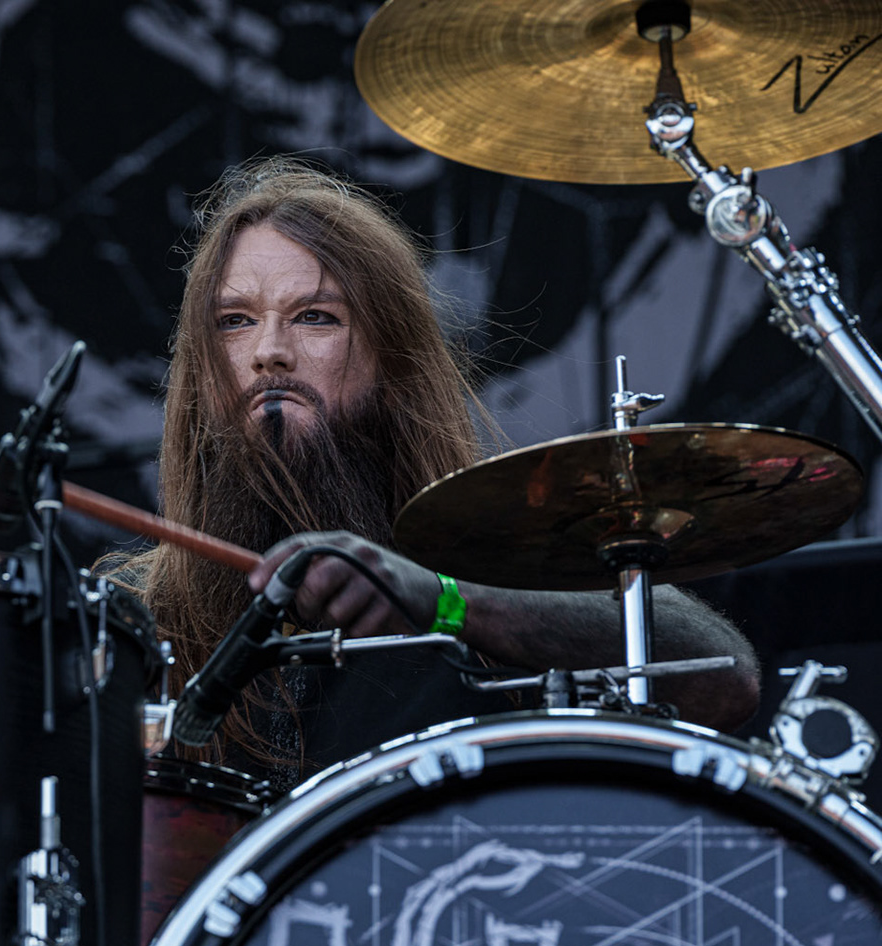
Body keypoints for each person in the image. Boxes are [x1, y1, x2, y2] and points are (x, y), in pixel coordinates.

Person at [112, 157, 760, 785]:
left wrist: (443, 598)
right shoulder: (138, 616)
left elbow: (724, 677)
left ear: (395, 367)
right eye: (234, 322)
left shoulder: (494, 570)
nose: (269, 352)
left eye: (316, 317)